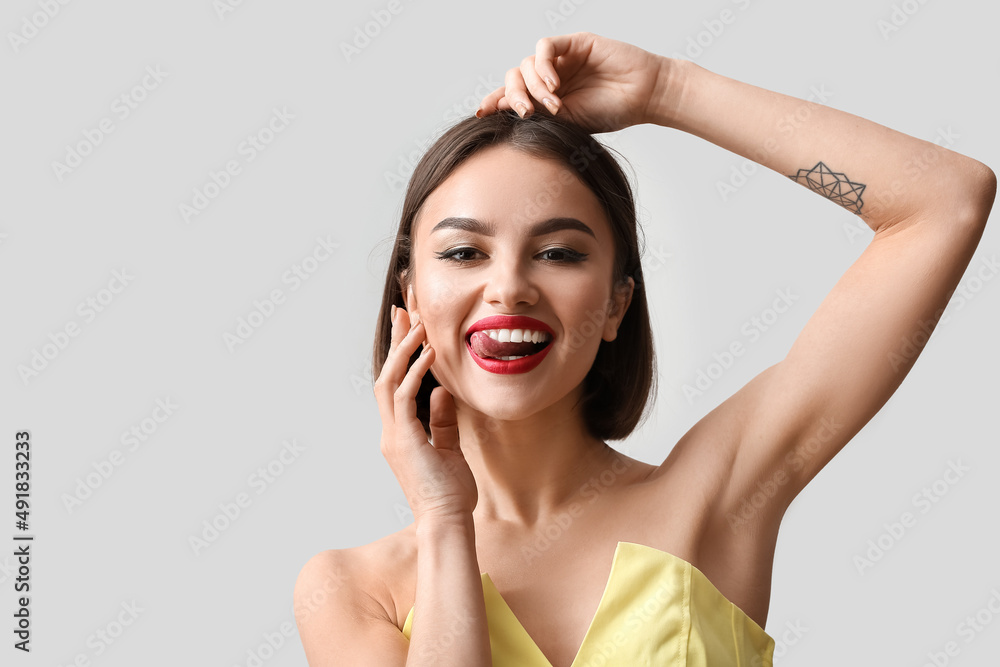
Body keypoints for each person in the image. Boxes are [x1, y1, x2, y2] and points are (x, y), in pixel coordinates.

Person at [294, 31, 996, 666]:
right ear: (410, 296)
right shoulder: (350, 590)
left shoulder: (715, 497)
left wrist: (671, 90)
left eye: (560, 252)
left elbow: (944, 199)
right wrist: (445, 520)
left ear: (616, 303)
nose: (509, 287)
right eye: (465, 251)